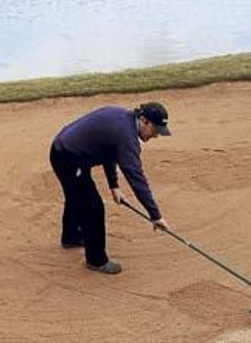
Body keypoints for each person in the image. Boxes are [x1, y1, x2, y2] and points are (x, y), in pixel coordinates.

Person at [49, 101, 171, 274]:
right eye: (155, 130)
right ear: (144, 121)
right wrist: (155, 215)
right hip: (68, 157)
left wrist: (114, 185)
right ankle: (96, 260)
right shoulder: (126, 137)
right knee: (93, 207)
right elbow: (137, 179)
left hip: (65, 150)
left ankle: (71, 236)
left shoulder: (123, 120)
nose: (156, 136)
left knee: (77, 196)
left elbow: (109, 151)